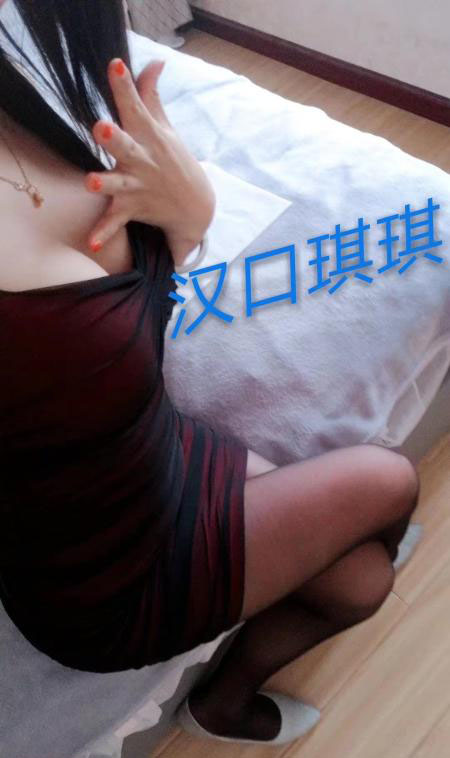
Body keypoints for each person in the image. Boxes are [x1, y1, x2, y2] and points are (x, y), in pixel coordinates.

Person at [0, 0, 420, 746]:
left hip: (144, 456)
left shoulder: (24, 92)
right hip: (102, 578)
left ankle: (223, 699)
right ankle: (224, 704)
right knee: (386, 488)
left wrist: (189, 213)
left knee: (363, 578)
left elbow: (129, 318)